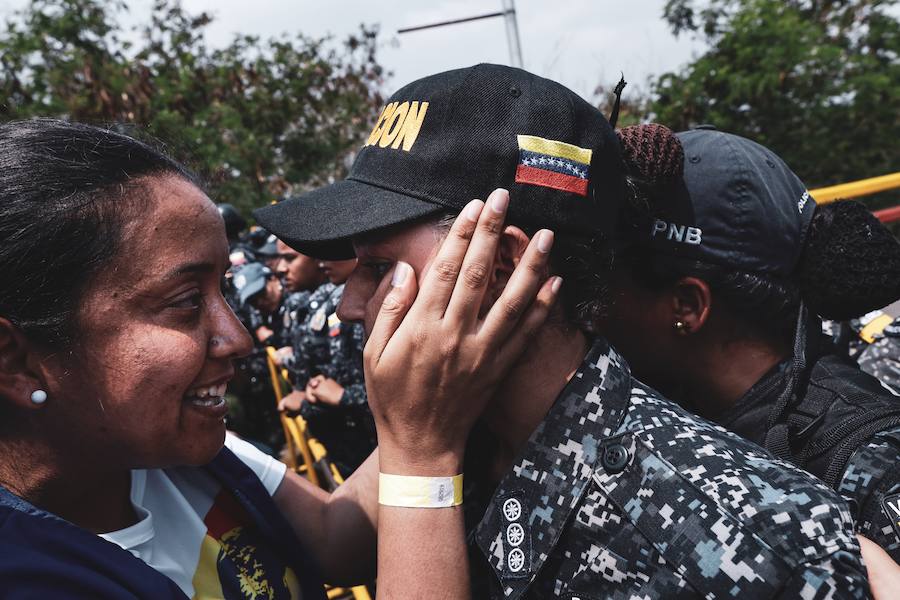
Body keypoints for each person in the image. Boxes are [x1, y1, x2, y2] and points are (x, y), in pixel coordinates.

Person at [256, 64, 869, 598]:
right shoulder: (460, 424)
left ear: (498, 267)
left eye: (378, 268)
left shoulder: (756, 547)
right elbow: (336, 539)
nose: (348, 306)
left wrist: (423, 462)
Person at [0, 118, 556, 598]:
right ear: (15, 361)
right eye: (186, 303)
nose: (237, 338)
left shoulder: (167, 452)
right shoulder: (27, 575)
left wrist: (430, 401)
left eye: (224, 289)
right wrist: (422, 456)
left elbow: (335, 538)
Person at [600, 123, 900, 561]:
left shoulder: (868, 468)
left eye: (610, 279)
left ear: (687, 305)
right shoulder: (672, 413)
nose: (593, 303)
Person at [280, 257, 375, 476]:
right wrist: (314, 388)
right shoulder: (324, 295)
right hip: (352, 451)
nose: (347, 310)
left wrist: (345, 396)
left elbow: (411, 397)